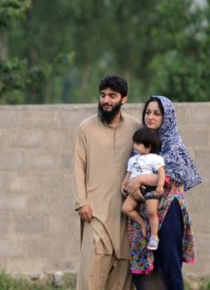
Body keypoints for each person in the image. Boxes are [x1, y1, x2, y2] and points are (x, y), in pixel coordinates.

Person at [72, 75, 142, 290]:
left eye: (112, 96)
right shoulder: (86, 128)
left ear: (124, 99)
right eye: (103, 95)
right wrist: (81, 201)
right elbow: (78, 167)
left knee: (121, 280)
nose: (106, 100)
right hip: (96, 213)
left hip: (125, 215)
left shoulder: (135, 128)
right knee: (90, 276)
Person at [124, 95, 201, 290]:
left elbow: (170, 178)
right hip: (141, 212)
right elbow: (130, 175)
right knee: (142, 271)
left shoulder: (174, 145)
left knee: (169, 266)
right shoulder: (139, 146)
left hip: (168, 210)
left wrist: (139, 180)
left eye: (157, 113)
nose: (151, 117)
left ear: (167, 117)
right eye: (148, 112)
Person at [121, 128, 166, 251]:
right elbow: (129, 174)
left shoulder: (155, 158)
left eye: (138, 143)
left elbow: (161, 173)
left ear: (148, 146)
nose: (134, 145)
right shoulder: (132, 160)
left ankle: (154, 236)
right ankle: (142, 223)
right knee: (126, 208)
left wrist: (160, 186)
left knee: (152, 212)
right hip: (135, 189)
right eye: (134, 142)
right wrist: (124, 184)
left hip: (150, 188)